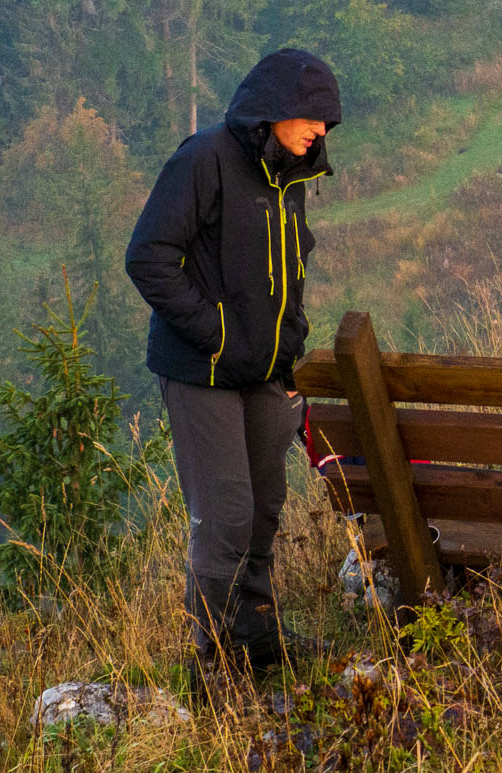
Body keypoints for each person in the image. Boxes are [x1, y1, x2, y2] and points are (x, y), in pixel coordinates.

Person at [126, 48, 341, 677]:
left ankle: (255, 636)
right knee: (225, 516)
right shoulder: (204, 160)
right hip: (202, 371)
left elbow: (284, 272)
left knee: (266, 504)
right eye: (311, 119)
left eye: (327, 124)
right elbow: (149, 257)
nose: (320, 132)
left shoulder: (288, 174)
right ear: (272, 111)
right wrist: (215, 333)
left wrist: (287, 346)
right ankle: (212, 663)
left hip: (265, 372)